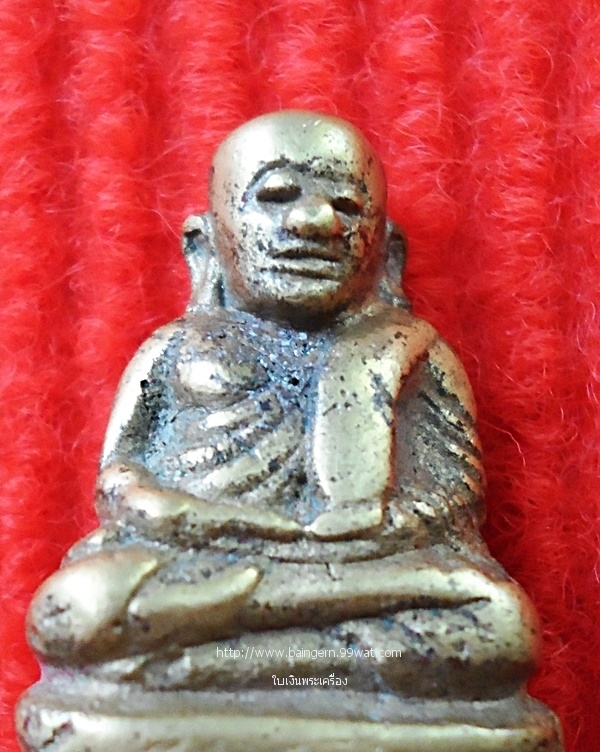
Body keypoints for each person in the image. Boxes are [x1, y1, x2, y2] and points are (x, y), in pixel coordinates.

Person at [26, 111, 540, 701]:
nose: (315, 221)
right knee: (75, 607)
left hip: (361, 570)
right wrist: (173, 513)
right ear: (203, 243)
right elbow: (119, 472)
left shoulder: (410, 351)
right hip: (203, 559)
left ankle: (209, 668)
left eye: (347, 206)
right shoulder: (175, 347)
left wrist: (381, 528)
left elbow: (458, 495)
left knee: (499, 622)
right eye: (274, 196)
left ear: (387, 251)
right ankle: (293, 666)